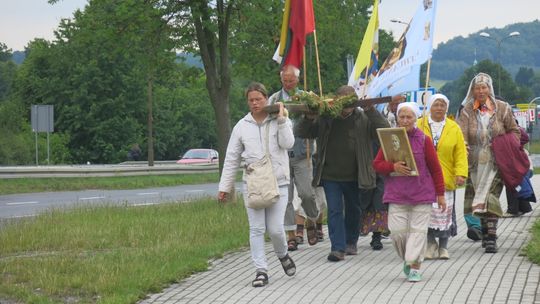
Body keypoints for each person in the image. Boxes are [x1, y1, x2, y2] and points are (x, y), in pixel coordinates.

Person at [295, 85, 390, 261]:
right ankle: (337, 248)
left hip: (356, 174)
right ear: (336, 101)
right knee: (335, 210)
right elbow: (302, 132)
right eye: (343, 100)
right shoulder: (326, 117)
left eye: (351, 100)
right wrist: (308, 118)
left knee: (354, 209)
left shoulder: (364, 118)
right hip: (331, 174)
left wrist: (371, 111)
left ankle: (351, 241)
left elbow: (384, 129)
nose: (347, 105)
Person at [218, 82, 296, 287]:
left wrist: (281, 121)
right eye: (251, 100)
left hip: (278, 182)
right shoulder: (241, 126)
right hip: (254, 184)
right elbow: (232, 158)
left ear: (266, 98)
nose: (254, 103)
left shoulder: (279, 119)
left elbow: (288, 144)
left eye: (258, 99)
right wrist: (224, 187)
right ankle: (261, 270)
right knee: (256, 229)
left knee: (276, 229)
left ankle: (283, 254)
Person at [373, 102, 446, 282]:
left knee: (418, 232)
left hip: (421, 194)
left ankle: (414, 267)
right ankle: (409, 258)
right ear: (397, 118)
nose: (405, 120)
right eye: (402, 117)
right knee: (397, 233)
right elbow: (377, 164)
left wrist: (441, 194)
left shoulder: (424, 140)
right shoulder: (389, 139)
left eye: (409, 117)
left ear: (416, 119)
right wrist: (393, 166)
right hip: (397, 194)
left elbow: (436, 169)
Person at [457, 73, 520, 253]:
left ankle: (491, 238)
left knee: (490, 197)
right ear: (473, 90)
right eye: (478, 88)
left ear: (489, 88)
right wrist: (464, 146)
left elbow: (515, 131)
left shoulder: (502, 108)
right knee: (479, 200)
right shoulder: (467, 110)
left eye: (484, 87)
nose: (481, 91)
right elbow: (461, 134)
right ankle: (485, 231)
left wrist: (507, 147)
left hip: (496, 161)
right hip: (475, 163)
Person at [268, 65, 320, 250]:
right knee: (285, 198)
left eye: (291, 80)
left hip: (302, 153)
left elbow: (318, 119)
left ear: (298, 80)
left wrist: (312, 115)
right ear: (281, 80)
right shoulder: (274, 98)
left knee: (306, 193)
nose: (288, 83)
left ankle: (312, 219)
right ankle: (291, 235)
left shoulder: (307, 97)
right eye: (285, 80)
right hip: (282, 156)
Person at [418, 94, 468, 260]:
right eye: (436, 105)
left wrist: (461, 173)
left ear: (446, 107)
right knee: (427, 212)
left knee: (444, 212)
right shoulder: (420, 124)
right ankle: (430, 244)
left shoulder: (454, 127)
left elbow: (460, 153)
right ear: (430, 107)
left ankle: (444, 247)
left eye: (442, 105)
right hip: (424, 177)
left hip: (446, 177)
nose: (439, 108)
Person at [503, 120, 534, 217]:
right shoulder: (513, 135)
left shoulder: (512, 132)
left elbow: (525, 137)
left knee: (512, 185)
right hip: (523, 167)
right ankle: (524, 208)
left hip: (519, 166)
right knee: (518, 186)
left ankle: (513, 210)